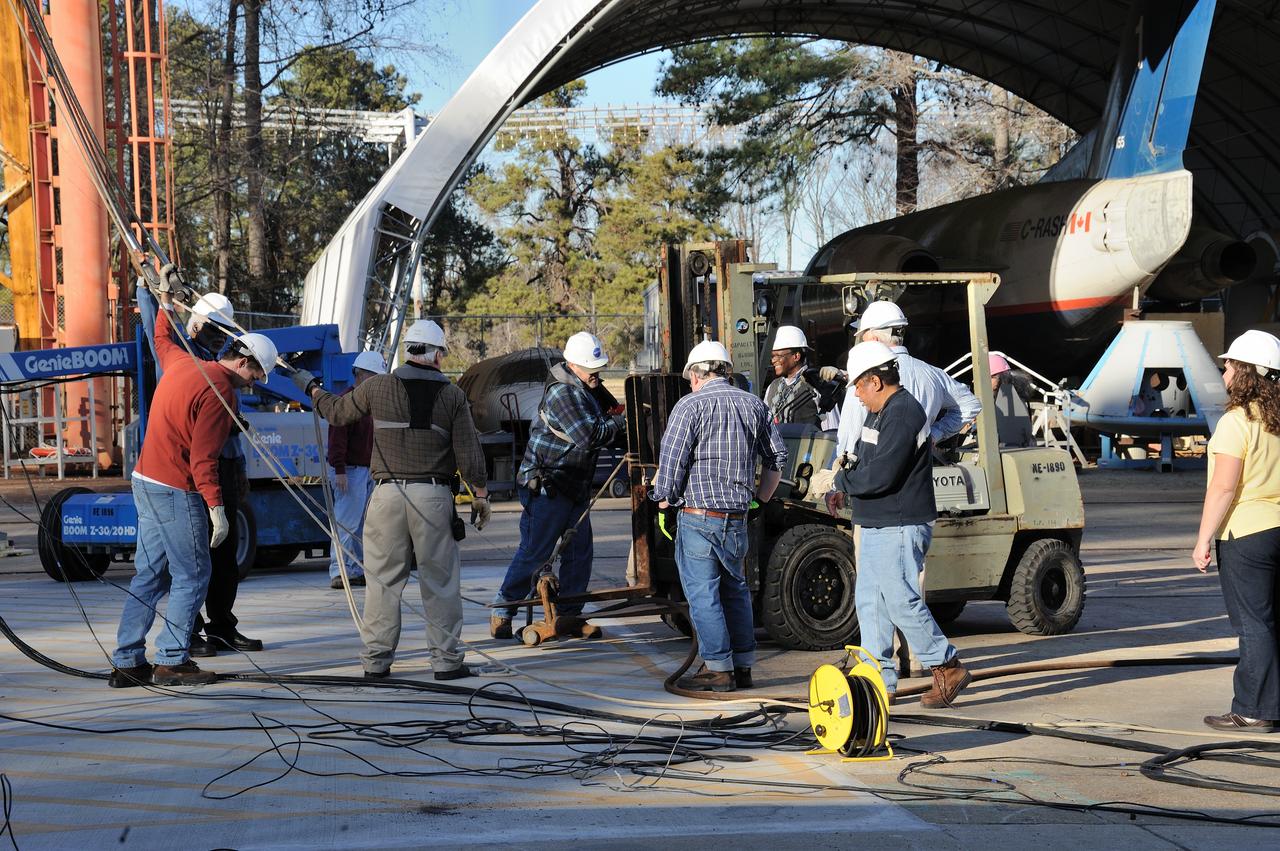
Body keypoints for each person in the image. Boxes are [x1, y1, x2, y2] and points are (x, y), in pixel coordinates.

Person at [291, 319, 490, 681]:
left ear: (409, 350)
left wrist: (312, 390)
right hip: (432, 496)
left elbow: (337, 412)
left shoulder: (377, 388)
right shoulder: (453, 396)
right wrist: (480, 494)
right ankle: (446, 662)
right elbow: (469, 453)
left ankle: (376, 661)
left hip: (385, 495)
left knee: (382, 581)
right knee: (440, 581)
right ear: (437, 355)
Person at [109, 284, 278, 687]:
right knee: (193, 574)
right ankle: (171, 659)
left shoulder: (183, 363)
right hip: (175, 487)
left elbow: (162, 336)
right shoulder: (221, 392)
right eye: (256, 373)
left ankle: (127, 660)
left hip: (144, 479)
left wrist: (164, 302)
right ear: (245, 362)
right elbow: (203, 461)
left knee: (148, 575)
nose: (254, 383)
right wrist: (217, 508)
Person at [825, 341, 971, 708]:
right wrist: (846, 483)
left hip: (900, 522)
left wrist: (841, 483)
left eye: (858, 386)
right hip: (877, 520)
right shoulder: (881, 412)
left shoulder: (903, 412)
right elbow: (864, 461)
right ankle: (877, 684)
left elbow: (883, 475)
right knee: (870, 603)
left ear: (875, 381)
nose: (856, 396)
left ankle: (946, 665)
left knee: (901, 599)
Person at [651, 340, 788, 692]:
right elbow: (777, 458)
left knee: (703, 594)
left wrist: (663, 504)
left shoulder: (689, 406)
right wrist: (760, 499)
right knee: (736, 591)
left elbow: (671, 466)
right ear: (726, 371)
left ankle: (717, 669)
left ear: (696, 374)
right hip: (738, 517)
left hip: (698, 516)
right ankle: (743, 666)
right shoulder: (754, 404)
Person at [137, 284, 260, 657]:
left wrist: (235, 420)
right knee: (189, 556)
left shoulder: (215, 356)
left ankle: (221, 624)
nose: (222, 337)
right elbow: (154, 327)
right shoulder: (183, 353)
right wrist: (153, 290)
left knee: (222, 555)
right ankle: (188, 631)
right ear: (199, 321)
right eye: (216, 328)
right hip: (191, 470)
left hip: (223, 464)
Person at [490, 332, 625, 639]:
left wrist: (620, 420)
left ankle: (568, 614)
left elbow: (607, 421)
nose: (597, 373)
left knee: (579, 552)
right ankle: (503, 609)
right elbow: (588, 436)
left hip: (573, 483)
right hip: (548, 483)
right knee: (535, 552)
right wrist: (623, 422)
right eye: (591, 367)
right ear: (572, 365)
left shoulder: (590, 388)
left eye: (598, 366)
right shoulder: (563, 394)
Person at [1192, 330, 1280, 732]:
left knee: (1252, 623)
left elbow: (1224, 486)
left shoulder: (1237, 422)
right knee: (1272, 620)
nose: (1224, 370)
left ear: (1245, 372)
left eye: (1229, 364)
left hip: (1248, 532)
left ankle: (1252, 709)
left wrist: (1202, 538)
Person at [832, 300, 981, 465]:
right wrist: (935, 433)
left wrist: (835, 480)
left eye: (862, 337)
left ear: (874, 338)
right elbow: (970, 404)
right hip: (921, 471)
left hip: (874, 474)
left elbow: (847, 443)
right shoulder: (932, 373)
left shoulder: (866, 379)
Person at [326, 350, 387, 589]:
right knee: (346, 523)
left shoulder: (369, 404)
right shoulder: (346, 403)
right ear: (362, 375)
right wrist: (340, 469)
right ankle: (339, 571)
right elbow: (337, 439)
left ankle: (355, 568)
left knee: (362, 525)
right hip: (350, 471)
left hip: (365, 470)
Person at [764, 326, 822, 427]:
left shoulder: (816, 384)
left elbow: (831, 430)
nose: (773, 360)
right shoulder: (772, 387)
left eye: (779, 356)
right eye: (773, 356)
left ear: (796, 356)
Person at [990, 352, 1035, 448]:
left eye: (991, 377)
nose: (974, 381)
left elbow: (1010, 438)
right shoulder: (1011, 393)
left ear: (1000, 378)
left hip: (1009, 450)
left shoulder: (1006, 398)